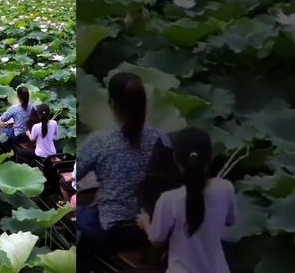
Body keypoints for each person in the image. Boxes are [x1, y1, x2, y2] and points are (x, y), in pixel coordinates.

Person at [76, 72, 167, 249]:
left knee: (77, 213)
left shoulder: (99, 141)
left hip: (114, 229)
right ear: (144, 103)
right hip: (152, 225)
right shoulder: (161, 139)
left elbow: (76, 173)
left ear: (112, 104)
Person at [136, 128, 236, 273]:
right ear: (211, 156)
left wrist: (145, 223)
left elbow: (157, 241)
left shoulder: (169, 199)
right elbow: (230, 221)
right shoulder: (226, 188)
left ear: (175, 159)